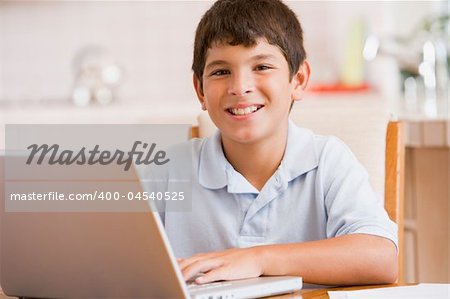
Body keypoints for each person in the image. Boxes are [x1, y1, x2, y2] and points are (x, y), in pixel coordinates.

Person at [159, 0, 398, 286]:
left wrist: (258, 259)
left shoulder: (327, 160)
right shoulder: (167, 171)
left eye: (261, 66)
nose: (240, 87)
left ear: (298, 80)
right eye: (221, 72)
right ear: (200, 89)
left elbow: (381, 258)